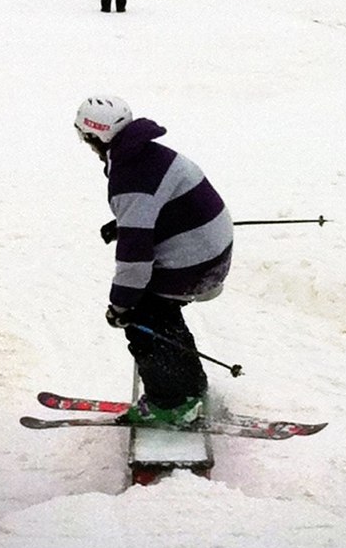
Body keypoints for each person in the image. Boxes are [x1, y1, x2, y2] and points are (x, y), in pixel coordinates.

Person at [75, 95, 234, 426]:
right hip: (210, 246)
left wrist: (120, 307)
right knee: (159, 311)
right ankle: (190, 388)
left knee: (142, 317)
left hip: (197, 263)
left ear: (96, 136)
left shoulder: (130, 177)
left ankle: (171, 403)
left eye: (83, 136)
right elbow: (157, 205)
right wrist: (127, 223)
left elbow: (135, 262)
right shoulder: (147, 153)